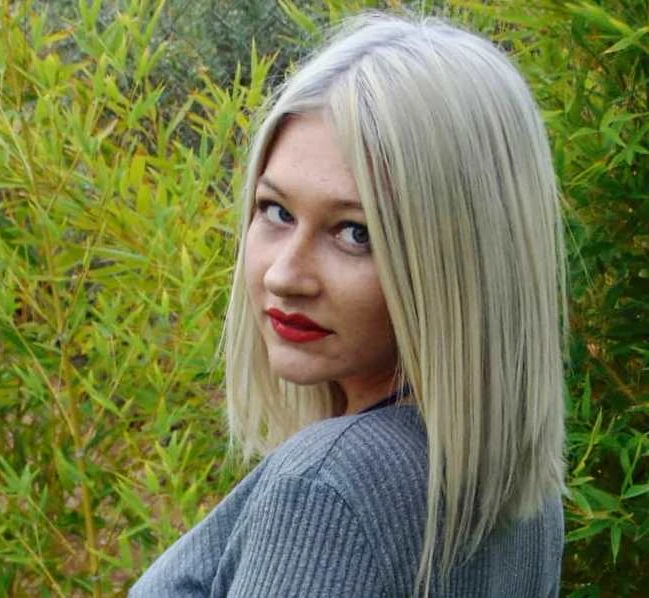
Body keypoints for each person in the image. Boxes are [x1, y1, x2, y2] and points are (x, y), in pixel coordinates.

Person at [131, 11, 566, 597]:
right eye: (277, 211)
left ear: (461, 263)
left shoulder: (327, 489)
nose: (285, 276)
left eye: (355, 233)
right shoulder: (523, 494)